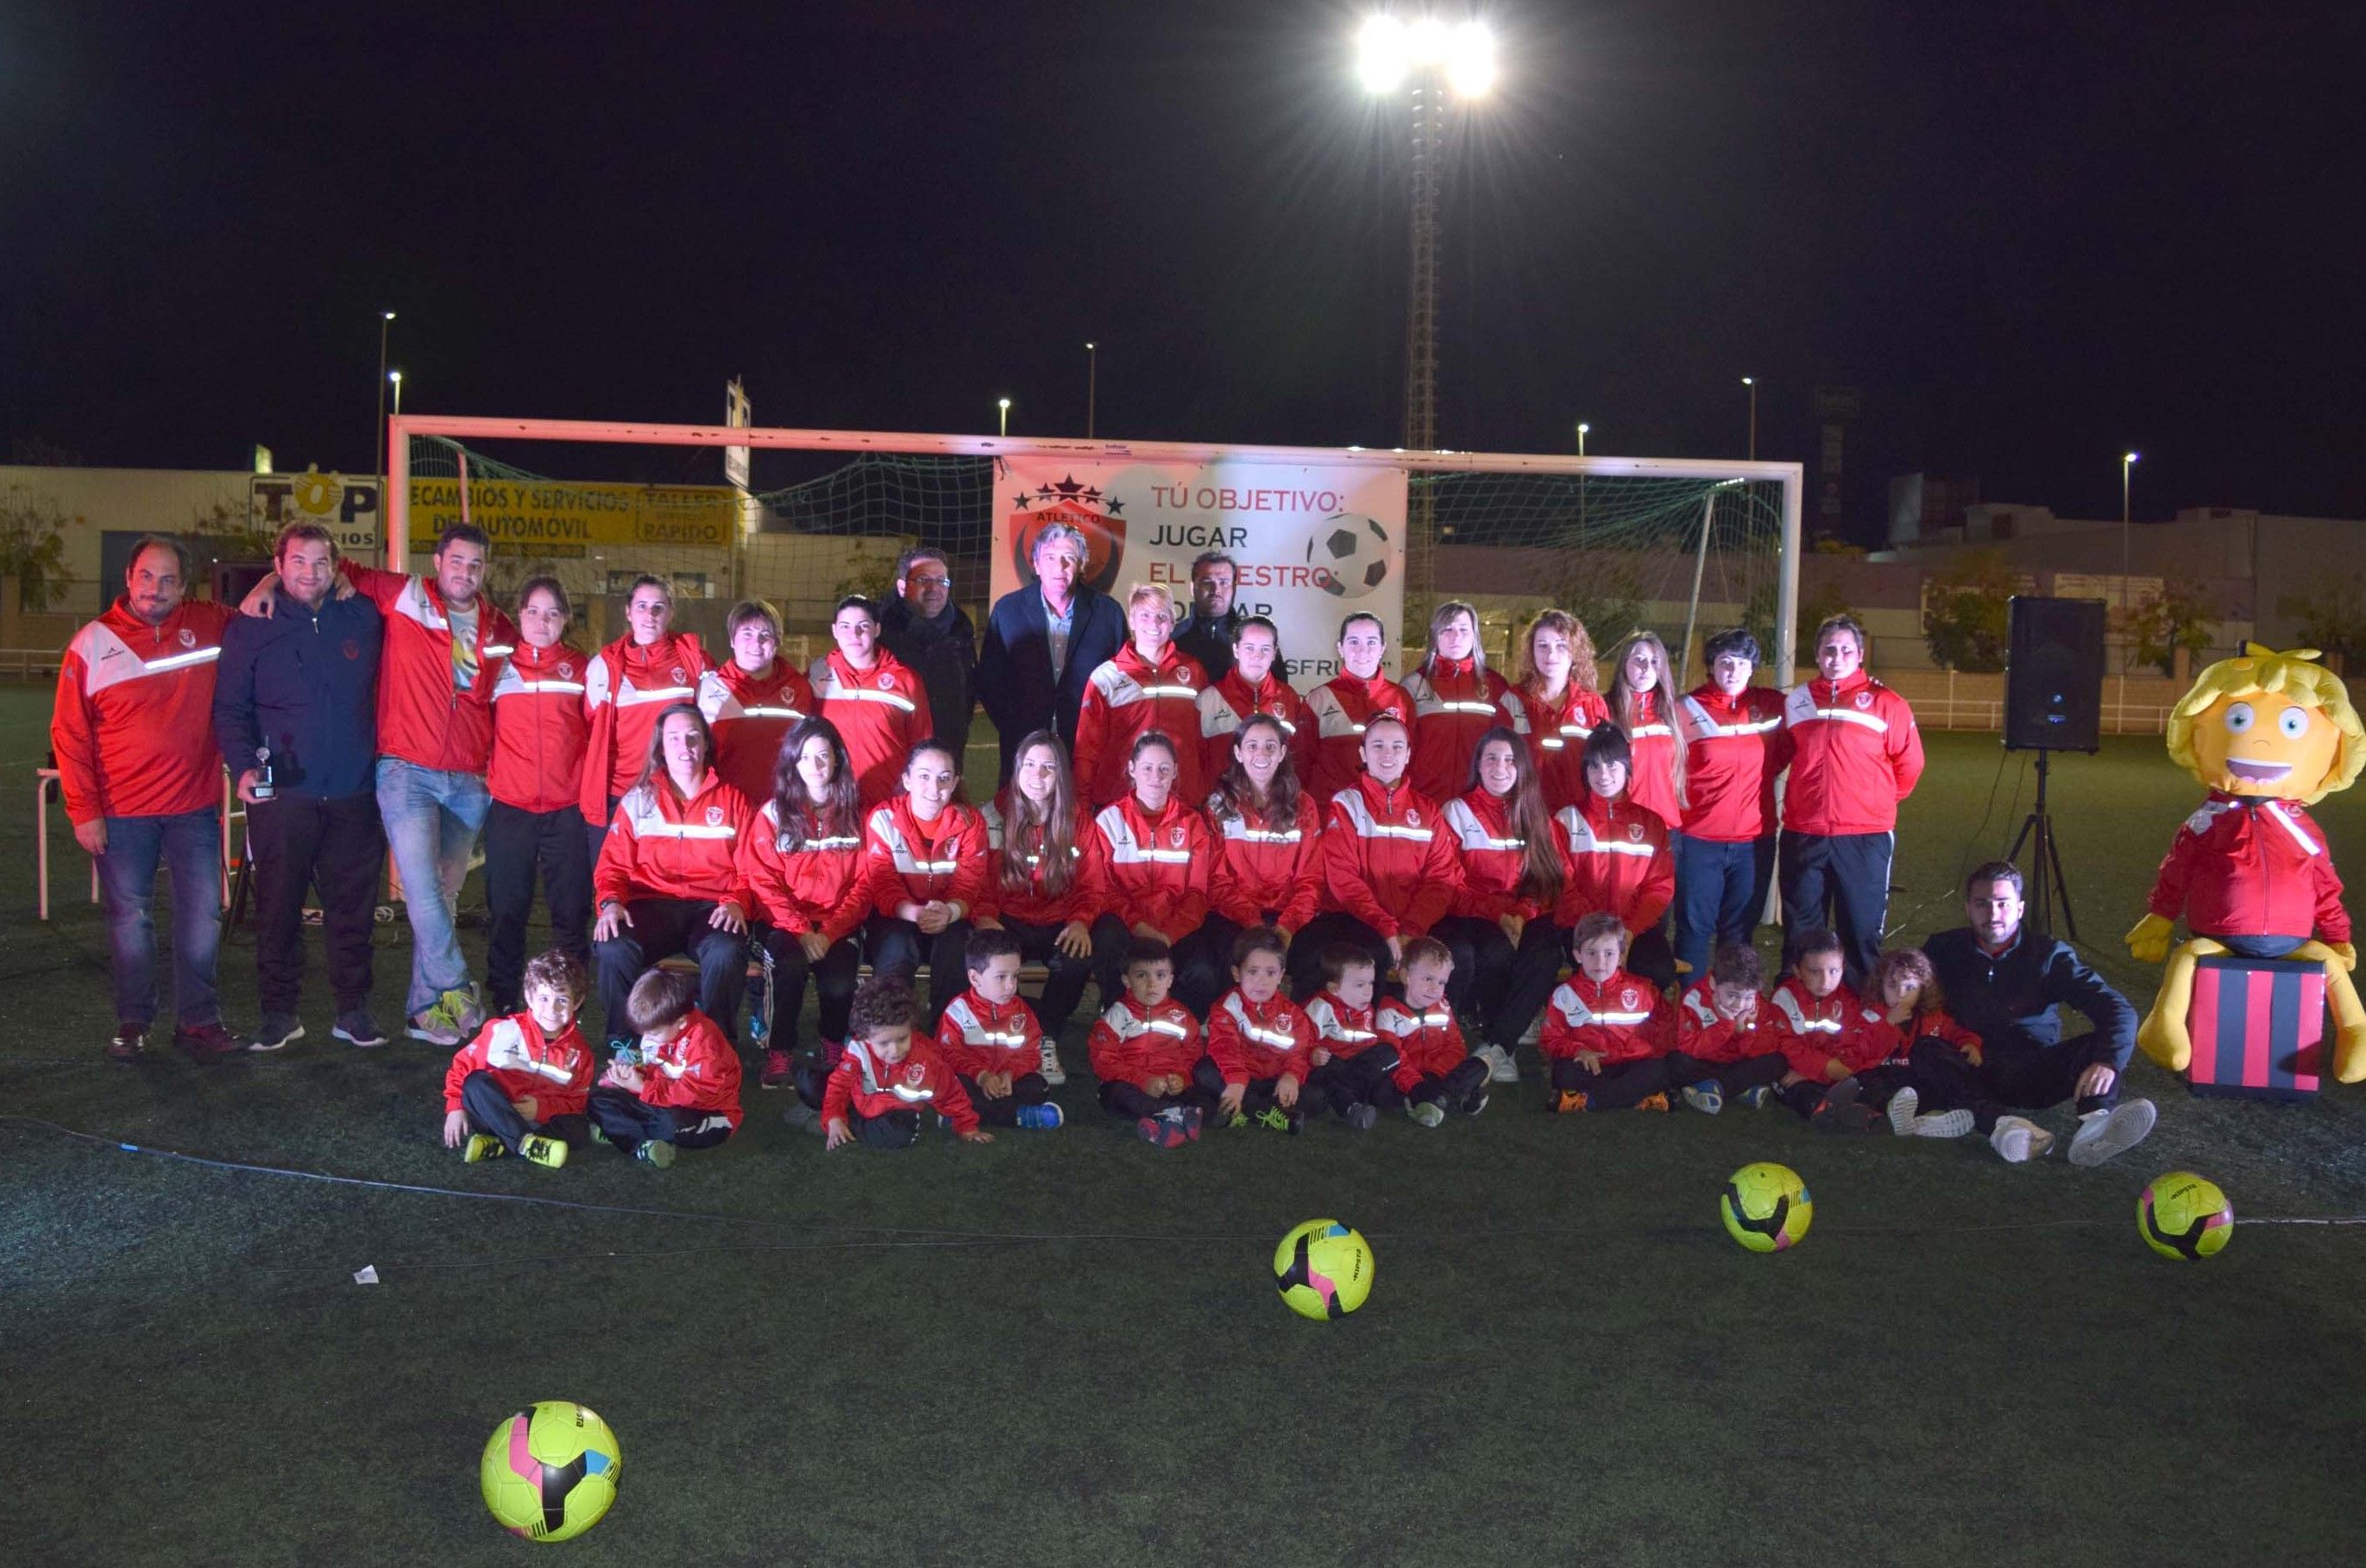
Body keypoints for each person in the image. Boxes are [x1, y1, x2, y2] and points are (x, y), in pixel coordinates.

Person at [242, 521, 514, 1044]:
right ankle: (459, 987)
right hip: (406, 769)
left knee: (444, 893)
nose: (465, 572)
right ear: (438, 562)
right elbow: (323, 568)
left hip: (467, 779)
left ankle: (423, 1012)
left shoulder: (499, 627)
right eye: (456, 561)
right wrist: (266, 582)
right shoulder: (405, 595)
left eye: (475, 564)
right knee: (422, 889)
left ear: (485, 569)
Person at [53, 534, 239, 1061]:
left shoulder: (212, 624)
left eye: (168, 579)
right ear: (129, 578)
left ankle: (198, 1021)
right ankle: (133, 1021)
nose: (156, 589)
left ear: (185, 585)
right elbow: (69, 734)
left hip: (193, 807)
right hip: (120, 812)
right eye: (147, 577)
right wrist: (84, 811)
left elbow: (264, 615)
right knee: (130, 919)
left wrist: (274, 580)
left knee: (202, 917)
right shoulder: (91, 643)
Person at [213, 521, 385, 1053]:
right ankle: (279, 1013)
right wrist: (244, 766)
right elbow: (229, 707)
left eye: (321, 562)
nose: (310, 573)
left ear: (336, 566)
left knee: (352, 908)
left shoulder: (364, 615)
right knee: (277, 906)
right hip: (282, 791)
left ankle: (352, 1010)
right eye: (298, 562)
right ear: (278, 565)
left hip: (354, 789)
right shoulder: (251, 624)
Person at [1921, 861, 2156, 1166]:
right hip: (1968, 1065)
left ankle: (2095, 1124)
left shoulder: (2048, 955)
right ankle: (2002, 1125)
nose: (1993, 914)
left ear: (2020, 908)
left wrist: (2107, 1062)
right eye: (1982, 904)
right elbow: (1903, 991)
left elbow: (2116, 1008)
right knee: (1927, 1048)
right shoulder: (1942, 949)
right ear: (1967, 908)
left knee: (2099, 1047)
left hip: (2031, 1073)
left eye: (2003, 904)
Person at [589, 703, 753, 1053]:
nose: (685, 746)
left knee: (726, 949)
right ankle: (624, 1042)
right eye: (674, 738)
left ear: (706, 743)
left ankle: (714, 1047)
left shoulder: (734, 800)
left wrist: (737, 902)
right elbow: (612, 867)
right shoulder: (639, 800)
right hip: (651, 904)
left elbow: (751, 870)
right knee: (612, 945)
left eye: (693, 737)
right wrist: (611, 903)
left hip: (711, 906)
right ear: (661, 747)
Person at [1779, 614, 1925, 982]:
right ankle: (1793, 1009)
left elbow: (1910, 765)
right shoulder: (1797, 700)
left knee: (1860, 934)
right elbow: (1782, 754)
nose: (1837, 657)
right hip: (1804, 832)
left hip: (1863, 837)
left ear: (1860, 655)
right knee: (1799, 934)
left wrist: (1872, 803)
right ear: (1817, 654)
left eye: (1846, 650)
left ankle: (1862, 1011)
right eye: (1829, 649)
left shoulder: (1886, 702)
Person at [739, 715, 867, 1091]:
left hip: (837, 924)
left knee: (840, 979)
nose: (815, 765)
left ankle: (833, 1045)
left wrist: (828, 932)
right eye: (805, 757)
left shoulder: (857, 814)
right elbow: (762, 881)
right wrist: (801, 930)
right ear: (792, 763)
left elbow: (865, 884)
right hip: (784, 923)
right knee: (788, 967)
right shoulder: (772, 815)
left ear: (838, 759)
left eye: (824, 755)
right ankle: (779, 1050)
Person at [483, 576, 592, 1017]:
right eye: (533, 611)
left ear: (564, 619)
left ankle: (569, 1000)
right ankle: (505, 998)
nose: (541, 621)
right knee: (508, 910)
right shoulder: (498, 668)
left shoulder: (582, 669)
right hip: (511, 808)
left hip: (568, 811)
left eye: (552, 613)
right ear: (520, 615)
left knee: (570, 912)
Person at [1293, 715, 1460, 999]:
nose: (1387, 754)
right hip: (1358, 918)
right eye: (1378, 745)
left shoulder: (1428, 810)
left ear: (1408, 755)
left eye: (1397, 747)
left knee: (1460, 954)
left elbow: (1441, 879)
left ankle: (1437, 1024)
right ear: (1363, 753)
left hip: (1412, 920)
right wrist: (1386, 927)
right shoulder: (1346, 804)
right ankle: (1367, 1022)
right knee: (1372, 955)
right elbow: (1343, 878)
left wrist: (1411, 929)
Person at [1436, 727, 1568, 1084]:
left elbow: (1547, 880)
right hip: (1474, 912)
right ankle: (1504, 1031)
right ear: (1478, 765)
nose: (1500, 767)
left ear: (1522, 766)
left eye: (1510, 760)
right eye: (1491, 758)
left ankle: (1498, 1045)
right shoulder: (1456, 811)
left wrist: (1522, 914)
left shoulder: (1535, 814)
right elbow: (1450, 885)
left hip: (1526, 912)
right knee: (1495, 950)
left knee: (1546, 954)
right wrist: (1499, 915)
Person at [977, 731, 1100, 1080]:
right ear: (1016, 769)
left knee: (1077, 959)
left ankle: (1045, 1034)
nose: (1038, 775)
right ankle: (1000, 1033)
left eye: (1048, 767)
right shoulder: (992, 816)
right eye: (1029, 765)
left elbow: (1092, 884)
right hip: (1007, 919)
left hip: (1058, 919)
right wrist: (985, 918)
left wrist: (1080, 921)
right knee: (987, 956)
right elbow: (979, 882)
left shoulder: (1078, 820)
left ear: (1061, 774)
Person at [1185, 713, 1322, 1016]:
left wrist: (1287, 926)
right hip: (1235, 914)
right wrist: (1253, 924)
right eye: (1252, 746)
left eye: (1270, 746)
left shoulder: (1304, 806)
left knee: (1317, 958)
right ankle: (1225, 1027)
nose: (1262, 754)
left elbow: (1311, 880)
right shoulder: (1218, 805)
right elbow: (1216, 881)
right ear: (1238, 752)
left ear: (1283, 752)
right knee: (1221, 961)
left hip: (1288, 915)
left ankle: (1296, 1029)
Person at [1671, 628, 1786, 980]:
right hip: (1698, 840)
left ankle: (1733, 1007)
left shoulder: (1773, 706)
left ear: (1753, 668)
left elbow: (1786, 750)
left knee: (1739, 932)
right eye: (1725, 662)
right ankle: (1689, 1006)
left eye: (1741, 663)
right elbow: (1669, 764)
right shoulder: (1686, 708)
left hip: (1753, 842)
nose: (1733, 670)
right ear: (1711, 666)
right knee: (1694, 929)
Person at [977, 521, 1127, 785]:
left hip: (1088, 750)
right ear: (1036, 564)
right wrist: (1014, 726)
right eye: (1050, 557)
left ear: (1081, 564)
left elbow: (1122, 681)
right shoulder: (1007, 611)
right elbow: (990, 681)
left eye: (1069, 558)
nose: (1060, 567)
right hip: (1022, 747)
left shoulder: (1109, 614)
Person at [858, 738, 990, 1027]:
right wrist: (916, 913)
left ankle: (947, 1034)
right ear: (906, 780)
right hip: (897, 915)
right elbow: (882, 885)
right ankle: (892, 1033)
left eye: (944, 778)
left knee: (956, 952)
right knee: (896, 951)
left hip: (949, 915)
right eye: (924, 776)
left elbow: (969, 884)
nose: (934, 788)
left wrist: (949, 912)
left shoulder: (971, 822)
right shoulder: (883, 818)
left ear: (955, 783)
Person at [582, 575, 710, 863]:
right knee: (610, 881)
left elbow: (710, 722)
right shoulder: (603, 666)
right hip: (618, 795)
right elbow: (590, 724)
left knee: (663, 883)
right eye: (641, 606)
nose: (650, 615)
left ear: (670, 613)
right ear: (628, 612)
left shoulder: (694, 661)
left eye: (658, 607)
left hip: (673, 794)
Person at [1083, 731, 1218, 1006]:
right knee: (1106, 939)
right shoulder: (1109, 820)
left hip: (1174, 928)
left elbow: (1198, 893)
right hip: (1126, 925)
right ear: (1132, 769)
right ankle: (1117, 1013)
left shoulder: (1192, 823)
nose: (1156, 776)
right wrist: (1139, 926)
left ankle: (1175, 1021)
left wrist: (1169, 934)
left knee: (1205, 972)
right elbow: (1104, 889)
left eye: (1164, 769)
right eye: (1147, 768)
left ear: (1175, 772)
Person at [439, 950, 595, 1168]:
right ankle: (526, 1144)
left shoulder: (580, 1053)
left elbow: (576, 1102)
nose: (552, 1009)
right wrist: (455, 1107)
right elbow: (461, 1067)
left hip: (540, 1120)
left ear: (577, 1002)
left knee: (580, 1131)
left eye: (562, 1000)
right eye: (544, 998)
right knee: (475, 1083)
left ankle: (501, 1144)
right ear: (529, 997)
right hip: (497, 1114)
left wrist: (541, 1108)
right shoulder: (503, 1030)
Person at [1549, 727, 1677, 991]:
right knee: (1593, 968)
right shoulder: (1565, 819)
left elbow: (1659, 887)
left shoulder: (1651, 823)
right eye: (1594, 766)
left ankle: (1637, 1015)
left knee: (1660, 970)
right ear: (1584, 771)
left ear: (1627, 768)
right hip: (1581, 927)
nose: (1603, 775)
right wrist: (1596, 930)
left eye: (1612, 765)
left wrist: (1629, 930)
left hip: (1633, 928)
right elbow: (1560, 884)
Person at [808, 975, 991, 1150]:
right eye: (884, 1043)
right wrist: (834, 1118)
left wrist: (967, 1127)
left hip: (895, 1113)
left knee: (899, 1135)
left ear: (911, 1029)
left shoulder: (927, 1058)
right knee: (809, 1082)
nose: (895, 1050)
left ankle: (850, 1126)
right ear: (866, 1038)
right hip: (858, 1099)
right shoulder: (859, 1051)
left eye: (902, 1039)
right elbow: (839, 1085)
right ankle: (839, 1119)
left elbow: (951, 1091)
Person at [1072, 582, 1210, 810]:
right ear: (1132, 621)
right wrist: (1083, 805)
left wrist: (1206, 796)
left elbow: (1206, 743)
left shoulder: (1193, 671)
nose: (1153, 624)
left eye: (1161, 616)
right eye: (1145, 615)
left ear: (1172, 622)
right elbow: (1087, 749)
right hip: (1120, 803)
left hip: (1182, 804)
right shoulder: (1106, 677)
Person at [587, 967, 742, 1167]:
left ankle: (621, 1132)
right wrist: (632, 1076)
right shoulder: (664, 1027)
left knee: (670, 1124)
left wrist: (642, 1087)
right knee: (596, 1099)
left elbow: (692, 1094)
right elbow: (657, 1070)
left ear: (681, 1022)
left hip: (706, 1112)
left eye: (653, 1034)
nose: (647, 1039)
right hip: (662, 1100)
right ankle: (639, 1141)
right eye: (644, 1034)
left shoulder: (706, 1045)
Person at [1540, 911, 1672, 1112]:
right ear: (1577, 955)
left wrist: (1647, 1050)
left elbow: (1667, 1025)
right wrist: (1578, 1051)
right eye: (1591, 953)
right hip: (1592, 1065)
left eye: (1609, 954)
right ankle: (1638, 1098)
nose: (1600, 962)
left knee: (1659, 1070)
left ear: (1621, 956)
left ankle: (1588, 1101)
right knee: (1563, 1073)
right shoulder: (1565, 994)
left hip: (1632, 1064)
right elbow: (1551, 1039)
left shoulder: (1643, 988)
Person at [934, 926, 1064, 1130]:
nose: (1011, 985)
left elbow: (1032, 1052)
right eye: (1001, 977)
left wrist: (1010, 1074)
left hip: (1007, 1081)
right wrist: (982, 1076)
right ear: (975, 978)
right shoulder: (958, 1012)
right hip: (975, 1080)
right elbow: (948, 1054)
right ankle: (1018, 1117)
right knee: (953, 1085)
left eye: (1015, 976)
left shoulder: (1022, 1011)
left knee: (1039, 1087)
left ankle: (964, 1115)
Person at [809, 594, 933, 808]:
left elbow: (922, 743)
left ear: (877, 629)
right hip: (835, 803)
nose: (854, 634)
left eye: (863, 626)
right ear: (835, 631)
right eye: (845, 626)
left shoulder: (905, 679)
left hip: (890, 801)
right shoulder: (816, 676)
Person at [1086, 938, 1210, 1147]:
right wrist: (1143, 1081)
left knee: (1203, 1095)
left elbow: (1193, 1053)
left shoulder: (1182, 1015)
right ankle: (1176, 1116)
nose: (1152, 984)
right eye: (1141, 975)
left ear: (1170, 980)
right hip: (1133, 1085)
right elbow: (1103, 1060)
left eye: (1160, 975)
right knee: (1114, 1094)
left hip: (1170, 1088)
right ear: (1127, 981)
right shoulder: (1118, 1015)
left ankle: (1169, 1119)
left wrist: (1181, 1078)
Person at [1196, 925, 1318, 1131]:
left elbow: (1299, 1052)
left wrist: (1291, 1076)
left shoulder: (1294, 1014)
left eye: (1270, 973)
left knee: (1317, 1097)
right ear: (1237, 974)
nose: (1261, 981)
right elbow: (1224, 1047)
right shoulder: (1227, 1007)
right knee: (1204, 1071)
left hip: (1272, 1081)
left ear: (1281, 976)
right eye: (1253, 972)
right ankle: (1268, 1114)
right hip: (1237, 1077)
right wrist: (1237, 1082)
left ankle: (1242, 1110)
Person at [696, 599, 813, 804]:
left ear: (777, 642)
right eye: (747, 634)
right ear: (732, 640)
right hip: (727, 808)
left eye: (765, 635)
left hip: (784, 807)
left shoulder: (799, 687)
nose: (756, 643)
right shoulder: (709, 688)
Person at [1768, 928, 1884, 1133]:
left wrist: (1831, 1071)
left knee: (1869, 1077)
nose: (1825, 981)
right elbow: (1786, 1045)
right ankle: (1827, 1110)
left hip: (1835, 1072)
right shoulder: (1784, 998)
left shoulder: (1847, 999)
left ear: (1843, 967)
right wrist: (1823, 1068)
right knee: (1792, 1085)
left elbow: (1851, 1042)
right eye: (1815, 972)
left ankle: (1856, 1109)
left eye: (1833, 971)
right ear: (1797, 970)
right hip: (1798, 1072)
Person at [1403, 600, 1513, 803]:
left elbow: (1509, 750)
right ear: (1435, 635)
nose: (1456, 637)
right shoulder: (1413, 685)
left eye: (1464, 629)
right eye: (1447, 629)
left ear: (1474, 636)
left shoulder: (1496, 686)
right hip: (1424, 800)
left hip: (1478, 803)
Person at [1664, 942, 1790, 1113]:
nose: (1740, 1005)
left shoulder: (1757, 1004)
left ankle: (1714, 1088)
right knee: (1675, 1061)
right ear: (1713, 983)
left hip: (1737, 1064)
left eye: (1748, 997)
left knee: (1778, 1062)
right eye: (1732, 995)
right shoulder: (1694, 1000)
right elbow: (1688, 1047)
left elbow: (1765, 1048)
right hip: (1704, 1063)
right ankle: (1738, 1089)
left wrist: (1743, 1031)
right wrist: (1725, 1026)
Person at [1377, 937, 1490, 1126]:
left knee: (1480, 1065)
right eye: (1428, 979)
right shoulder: (1388, 1012)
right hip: (1406, 1080)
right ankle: (1453, 1097)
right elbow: (1393, 1059)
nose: (1435, 989)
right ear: (1405, 976)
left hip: (1437, 1075)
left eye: (1442, 982)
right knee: (1382, 1090)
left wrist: (1434, 1074)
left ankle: (1437, 1101)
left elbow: (1455, 1048)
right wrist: (1417, 1084)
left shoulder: (1443, 1007)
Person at [1504, 608, 1609, 811]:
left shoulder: (1593, 705)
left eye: (1561, 645)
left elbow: (1604, 766)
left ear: (1575, 652)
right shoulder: (1513, 699)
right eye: (1542, 646)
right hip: (1526, 815)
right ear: (1531, 651)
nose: (1551, 654)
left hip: (1579, 817)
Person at [879, 547, 977, 763]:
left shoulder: (961, 629)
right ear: (902, 587)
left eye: (941, 581)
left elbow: (969, 691)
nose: (934, 588)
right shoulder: (879, 631)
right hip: (893, 758)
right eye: (923, 579)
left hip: (948, 753)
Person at [1304, 611, 1413, 803]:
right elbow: (1301, 763)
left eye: (1371, 642)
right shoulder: (1319, 699)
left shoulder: (1400, 698)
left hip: (1384, 811)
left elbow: (1411, 761)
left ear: (1383, 648)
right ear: (1340, 648)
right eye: (1354, 642)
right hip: (1330, 810)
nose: (1363, 651)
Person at [1196, 614, 1312, 787]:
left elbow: (1299, 758)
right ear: (1236, 649)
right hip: (1224, 799)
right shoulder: (1209, 699)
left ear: (1274, 653)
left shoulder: (1289, 698)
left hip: (1275, 800)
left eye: (1265, 649)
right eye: (1249, 648)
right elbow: (1196, 761)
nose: (1257, 656)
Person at [1302, 945, 1393, 1130]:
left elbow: (1371, 1042)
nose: (1368, 991)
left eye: (1371, 983)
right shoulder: (1320, 1008)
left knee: (1389, 1052)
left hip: (1357, 1068)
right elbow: (1302, 1038)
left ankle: (1369, 1095)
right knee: (1327, 1074)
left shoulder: (1367, 1009)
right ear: (1334, 988)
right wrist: (1313, 1052)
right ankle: (1351, 1108)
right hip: (1333, 1064)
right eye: (1360, 985)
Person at [1602, 631, 1683, 831]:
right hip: (1621, 826)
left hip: (1665, 827)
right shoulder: (1604, 710)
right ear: (1624, 664)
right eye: (1639, 660)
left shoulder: (1672, 712)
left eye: (1654, 661)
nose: (1647, 668)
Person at [1173, 550, 1246, 682]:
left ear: (1234, 588)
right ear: (1192, 588)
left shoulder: (1254, 639)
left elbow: (1277, 689)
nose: (1216, 590)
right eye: (1207, 582)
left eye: (1223, 582)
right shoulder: (1172, 639)